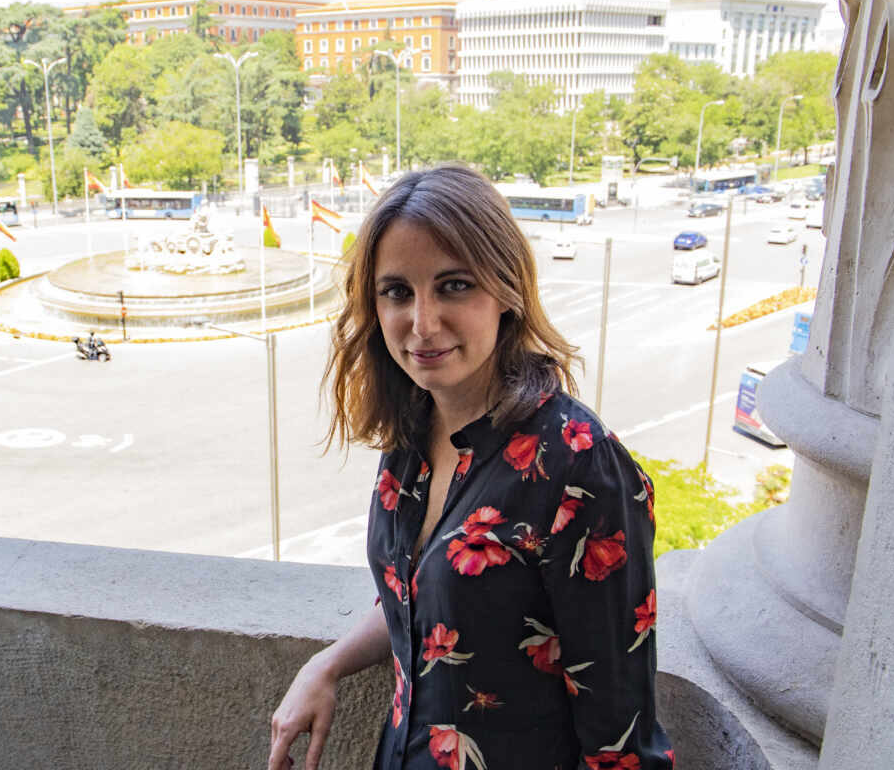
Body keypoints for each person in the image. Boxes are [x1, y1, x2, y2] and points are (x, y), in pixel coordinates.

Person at [268, 165, 673, 770]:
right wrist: (326, 664)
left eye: (454, 286)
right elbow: (422, 595)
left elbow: (621, 731)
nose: (422, 324)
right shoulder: (413, 432)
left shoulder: (578, 465)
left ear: (506, 288)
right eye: (397, 292)